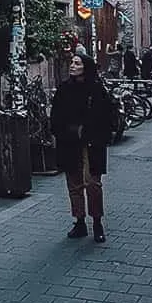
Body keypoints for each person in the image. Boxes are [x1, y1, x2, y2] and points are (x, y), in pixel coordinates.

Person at [50, 52, 113, 243]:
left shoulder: (96, 89)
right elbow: (56, 115)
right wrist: (62, 131)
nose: (72, 66)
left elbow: (106, 116)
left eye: (77, 63)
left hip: (92, 142)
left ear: (85, 67)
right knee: (74, 183)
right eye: (72, 62)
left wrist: (93, 131)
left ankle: (97, 221)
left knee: (92, 182)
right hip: (70, 142)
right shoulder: (64, 89)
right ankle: (79, 221)